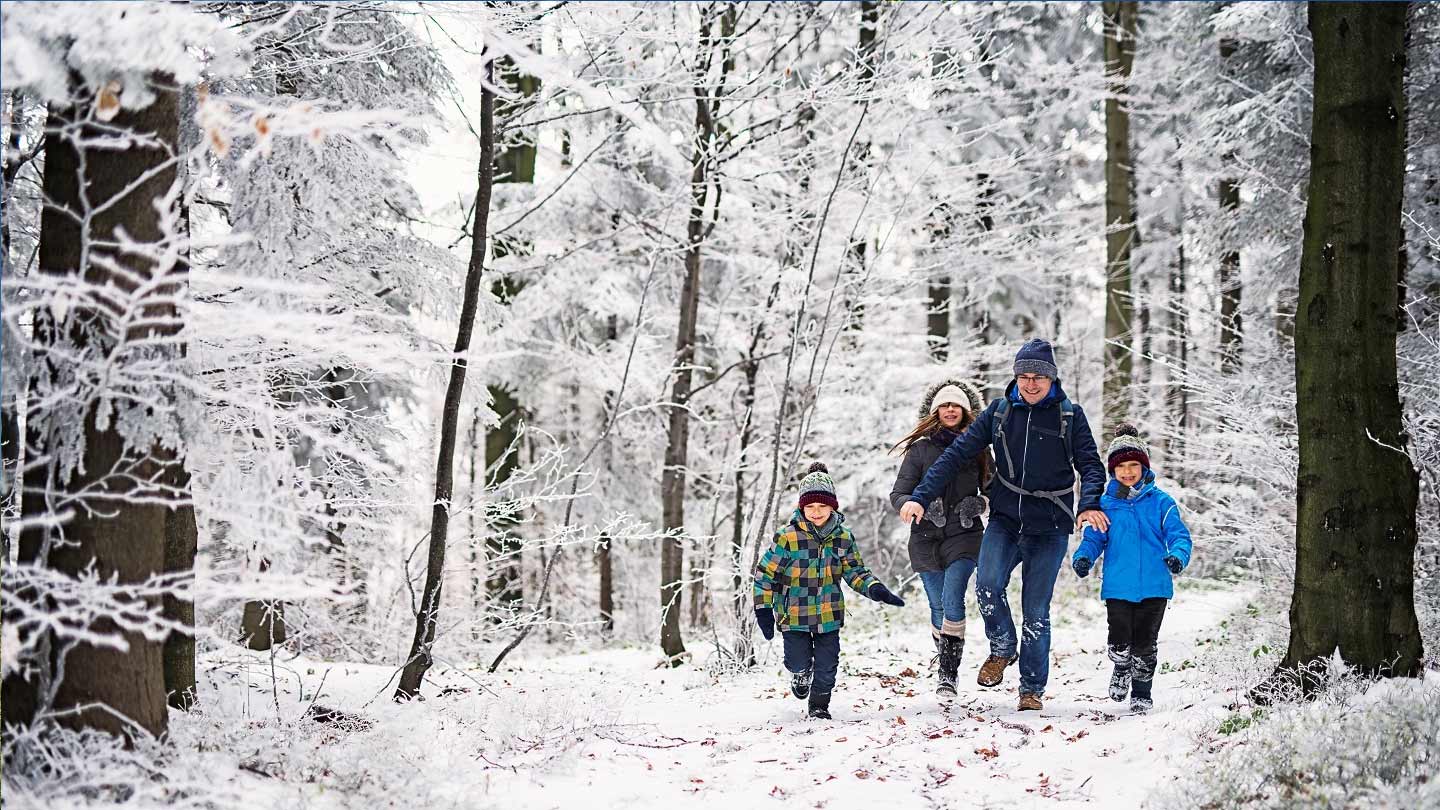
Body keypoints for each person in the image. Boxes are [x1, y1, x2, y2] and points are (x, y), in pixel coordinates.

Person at [899, 339, 1107, 711]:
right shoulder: (999, 413)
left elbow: (1090, 465)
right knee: (988, 585)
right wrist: (919, 495)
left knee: (1036, 608)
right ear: (1015, 376)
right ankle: (1002, 647)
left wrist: (1088, 503)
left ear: (1051, 379)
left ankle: (1030, 688)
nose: (1030, 384)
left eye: (1038, 378)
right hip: (1007, 519)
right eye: (1024, 376)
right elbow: (954, 456)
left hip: (1050, 523)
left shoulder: (1069, 416)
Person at [754, 462, 906, 719]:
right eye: (810, 507)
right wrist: (763, 608)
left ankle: (819, 706)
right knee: (797, 661)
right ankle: (801, 675)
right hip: (794, 616)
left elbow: (854, 571)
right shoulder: (787, 537)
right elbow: (766, 573)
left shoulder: (843, 537)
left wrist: (875, 589)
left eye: (822, 506)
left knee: (827, 667)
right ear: (802, 507)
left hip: (828, 614)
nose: (816, 512)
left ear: (832, 506)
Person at [1071, 424, 1193, 713]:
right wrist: (1084, 556)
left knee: (1145, 645)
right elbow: (1094, 538)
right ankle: (1121, 666)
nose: (1127, 471)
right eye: (1121, 466)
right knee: (1119, 641)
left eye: (1134, 465)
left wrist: (1177, 555)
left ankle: (1141, 692)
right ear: (1112, 471)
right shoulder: (1105, 504)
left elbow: (1179, 535)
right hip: (1118, 586)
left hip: (1155, 585)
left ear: (1144, 466)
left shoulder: (1161, 502)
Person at [889, 377, 990, 698]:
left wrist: (980, 503)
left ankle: (948, 673)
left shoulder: (978, 448)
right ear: (935, 411)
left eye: (955, 405)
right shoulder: (919, 450)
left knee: (952, 598)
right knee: (937, 607)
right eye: (944, 405)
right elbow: (899, 492)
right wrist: (910, 505)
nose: (950, 410)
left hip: (964, 533)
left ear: (965, 410)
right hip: (925, 537)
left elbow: (994, 490)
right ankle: (948, 654)